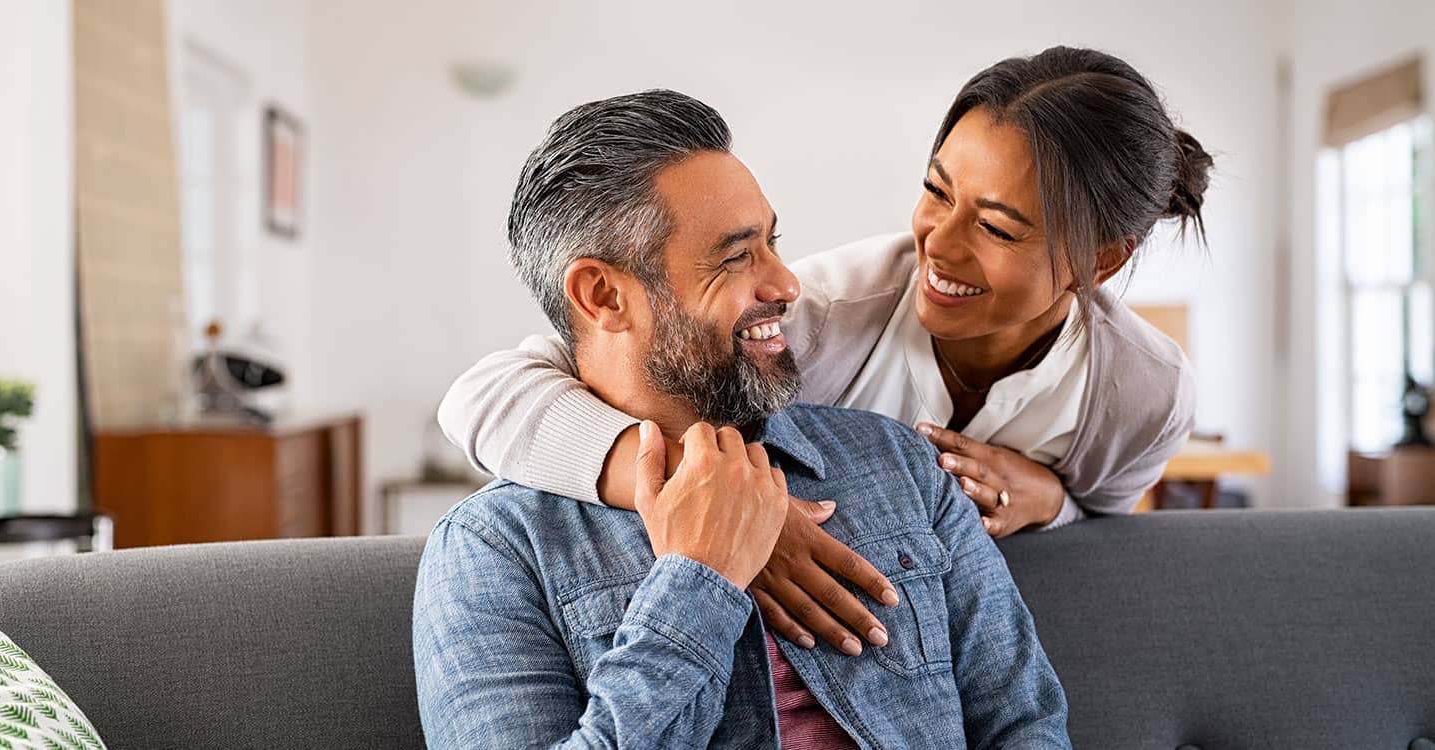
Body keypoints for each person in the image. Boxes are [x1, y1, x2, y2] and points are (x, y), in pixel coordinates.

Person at [438, 46, 1208, 655]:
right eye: (936, 191)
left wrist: (1053, 501)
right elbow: (484, 396)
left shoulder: (1144, 393)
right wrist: (720, 504)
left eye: (998, 227)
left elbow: (1107, 526)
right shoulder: (822, 315)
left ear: (1099, 261)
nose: (937, 243)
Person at [413, 89, 1069, 749]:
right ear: (603, 295)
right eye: (736, 256)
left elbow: (1025, 725)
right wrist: (700, 580)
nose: (786, 284)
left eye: (773, 243)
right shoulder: (494, 549)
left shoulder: (900, 465)